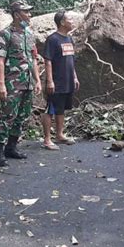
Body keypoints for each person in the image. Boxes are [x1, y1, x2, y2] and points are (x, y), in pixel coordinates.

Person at [0, 0, 42, 167]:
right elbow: (0, 59)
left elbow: (34, 59)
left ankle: (11, 148)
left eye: (29, 12)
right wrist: (1, 83)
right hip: (12, 83)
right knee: (7, 116)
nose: (29, 15)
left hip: (27, 83)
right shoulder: (5, 34)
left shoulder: (29, 34)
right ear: (16, 14)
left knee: (22, 116)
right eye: (26, 12)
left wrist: (37, 80)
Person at [41, 10, 80, 150]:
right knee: (50, 109)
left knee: (61, 108)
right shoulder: (53, 39)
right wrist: (50, 81)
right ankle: (47, 139)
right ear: (62, 22)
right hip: (56, 81)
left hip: (68, 81)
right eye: (70, 19)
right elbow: (48, 61)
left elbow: (71, 60)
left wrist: (74, 77)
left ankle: (59, 134)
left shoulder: (69, 39)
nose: (72, 21)